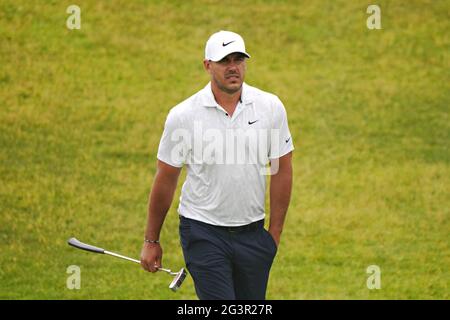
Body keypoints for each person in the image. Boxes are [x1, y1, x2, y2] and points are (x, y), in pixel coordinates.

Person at [140, 30, 294, 300]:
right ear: (207, 65)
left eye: (238, 59)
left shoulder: (270, 107)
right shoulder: (183, 116)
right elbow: (165, 179)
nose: (233, 67)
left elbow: (281, 168)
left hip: (253, 234)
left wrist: (274, 235)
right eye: (224, 61)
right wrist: (151, 240)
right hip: (203, 231)